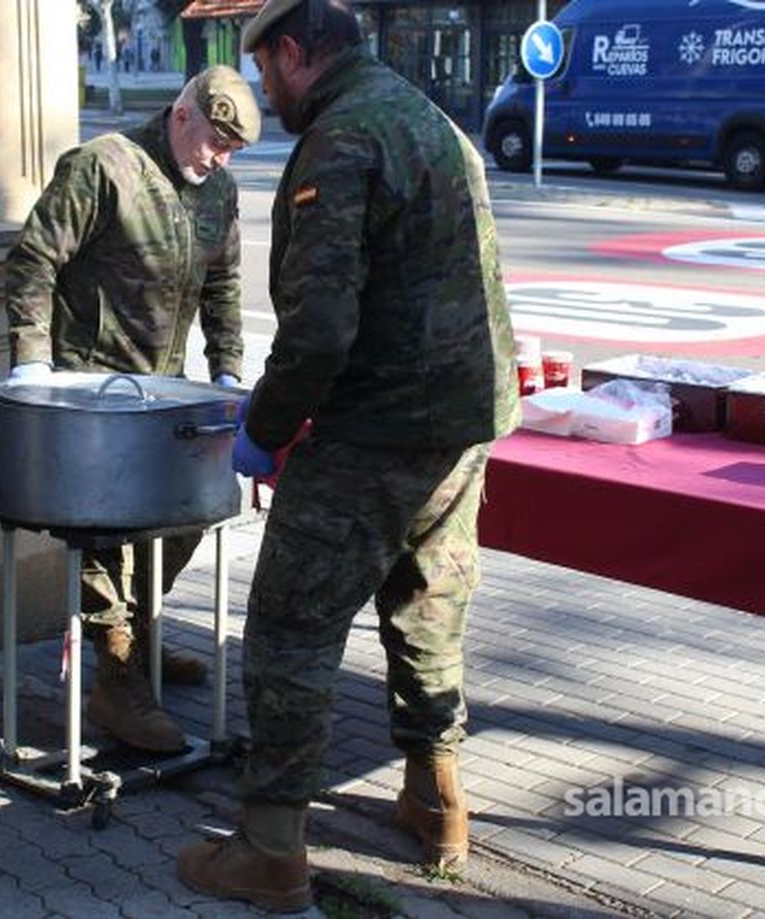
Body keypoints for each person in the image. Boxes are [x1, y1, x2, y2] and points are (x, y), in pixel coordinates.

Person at [174, 0, 521, 911]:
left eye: (265, 69)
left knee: (291, 626)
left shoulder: (341, 138)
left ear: (296, 53)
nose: (262, 88)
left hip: (377, 427)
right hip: (461, 425)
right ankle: (436, 801)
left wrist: (268, 428)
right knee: (428, 606)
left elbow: (323, 326)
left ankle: (270, 847)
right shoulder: (428, 118)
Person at [4, 65, 260, 752]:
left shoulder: (220, 192)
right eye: (214, 141)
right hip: (92, 391)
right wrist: (30, 358)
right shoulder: (103, 168)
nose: (221, 157)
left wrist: (229, 368)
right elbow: (34, 259)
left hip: (167, 392)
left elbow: (225, 285)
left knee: (183, 521)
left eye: (233, 148)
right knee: (105, 538)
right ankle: (117, 677)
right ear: (183, 116)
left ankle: (139, 644)